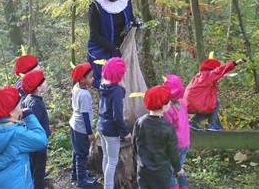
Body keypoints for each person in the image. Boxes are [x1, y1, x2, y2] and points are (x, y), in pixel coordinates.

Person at [0, 86, 47, 189]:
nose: (21, 109)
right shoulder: (16, 133)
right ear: (10, 112)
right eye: (20, 106)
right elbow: (41, 141)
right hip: (20, 184)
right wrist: (29, 117)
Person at [87, 0, 135, 88]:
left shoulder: (126, 0)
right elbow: (95, 34)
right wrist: (113, 49)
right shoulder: (97, 6)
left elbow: (130, 18)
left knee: (125, 83)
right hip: (104, 50)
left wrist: (134, 24)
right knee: (108, 85)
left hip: (123, 48)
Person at [132, 85, 185, 189]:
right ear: (163, 106)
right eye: (169, 101)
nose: (170, 103)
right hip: (161, 172)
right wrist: (178, 169)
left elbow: (134, 144)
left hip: (143, 169)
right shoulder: (168, 127)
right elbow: (173, 152)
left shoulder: (140, 122)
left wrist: (139, 160)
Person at [183, 58, 246, 131]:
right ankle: (210, 124)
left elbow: (214, 76)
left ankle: (193, 122)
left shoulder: (201, 76)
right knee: (215, 103)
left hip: (189, 102)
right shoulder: (208, 76)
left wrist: (222, 75)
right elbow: (218, 71)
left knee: (211, 106)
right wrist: (235, 62)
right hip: (196, 103)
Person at [97, 57, 131, 189]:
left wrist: (122, 88)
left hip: (101, 125)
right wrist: (125, 133)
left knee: (106, 157)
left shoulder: (103, 85)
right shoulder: (116, 91)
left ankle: (107, 184)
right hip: (111, 130)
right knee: (112, 161)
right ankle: (108, 186)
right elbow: (117, 115)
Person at [69, 62, 97, 188]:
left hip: (74, 124)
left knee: (76, 151)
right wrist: (90, 133)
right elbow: (85, 116)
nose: (93, 78)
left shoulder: (76, 87)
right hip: (81, 128)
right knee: (82, 154)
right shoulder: (85, 95)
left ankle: (75, 174)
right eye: (90, 77)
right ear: (82, 79)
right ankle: (81, 180)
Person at [21, 69, 51, 189]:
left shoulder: (27, 99)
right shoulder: (36, 104)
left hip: (33, 143)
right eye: (44, 81)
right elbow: (35, 125)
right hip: (38, 144)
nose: (46, 82)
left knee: (35, 166)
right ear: (38, 88)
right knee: (38, 170)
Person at [163, 74, 190, 189]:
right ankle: (184, 186)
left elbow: (167, 130)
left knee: (169, 170)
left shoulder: (167, 109)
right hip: (185, 142)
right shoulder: (182, 103)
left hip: (174, 144)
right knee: (179, 168)